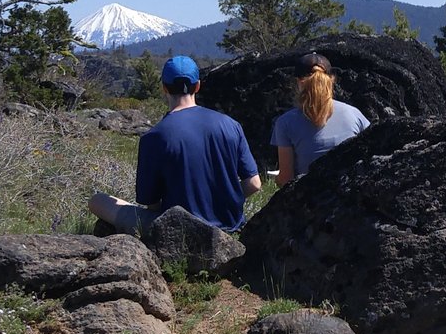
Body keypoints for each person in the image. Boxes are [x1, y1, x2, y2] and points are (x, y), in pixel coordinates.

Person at [89, 55, 262, 233]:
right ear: (198, 86)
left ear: (164, 88)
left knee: (97, 200)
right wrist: (224, 201)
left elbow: (151, 203)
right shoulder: (231, 125)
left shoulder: (154, 137)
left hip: (177, 232)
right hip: (229, 226)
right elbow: (254, 184)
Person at [271, 50, 371, 186]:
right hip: (352, 195)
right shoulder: (354, 114)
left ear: (299, 83)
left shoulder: (285, 123)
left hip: (312, 199)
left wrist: (277, 180)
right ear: (331, 80)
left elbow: (286, 178)